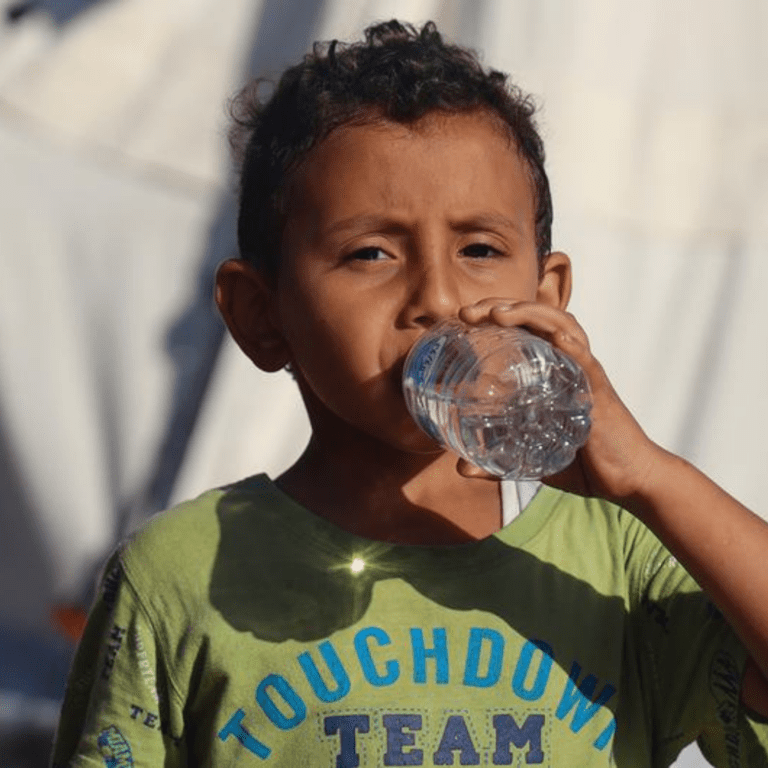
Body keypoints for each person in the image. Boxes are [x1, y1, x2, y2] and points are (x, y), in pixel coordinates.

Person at [51, 19, 768, 767]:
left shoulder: (619, 559)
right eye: (371, 253)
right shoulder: (177, 573)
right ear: (262, 317)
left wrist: (649, 477)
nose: (439, 298)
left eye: (480, 249)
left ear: (548, 295)